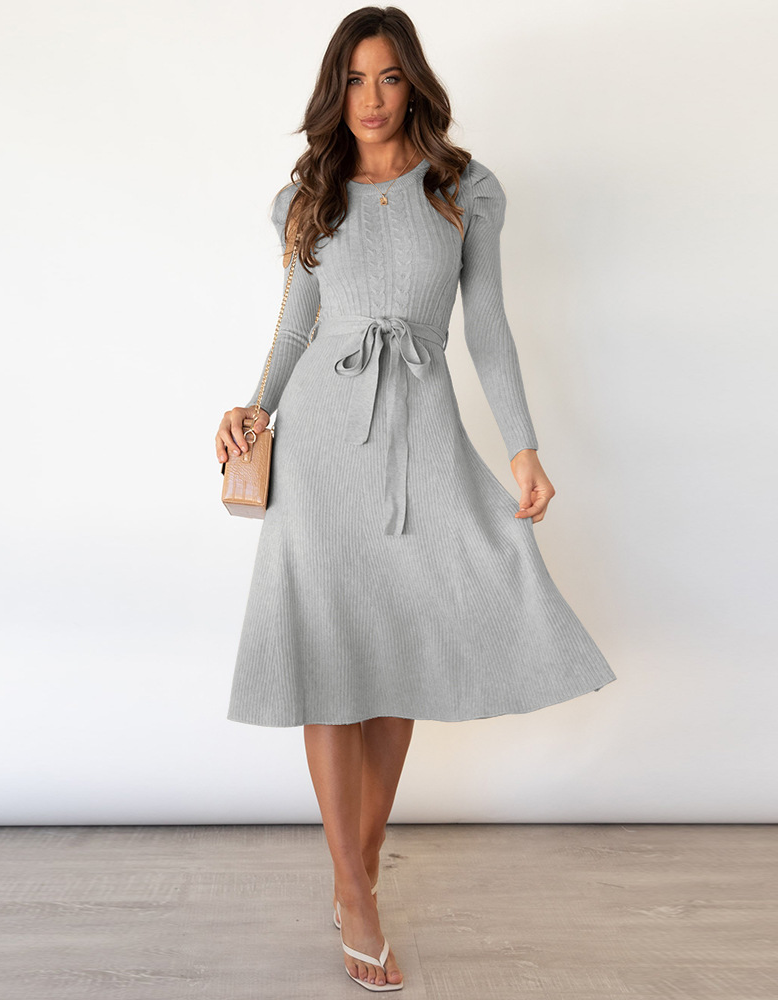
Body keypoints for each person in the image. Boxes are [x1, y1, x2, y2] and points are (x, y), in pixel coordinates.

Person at [215, 7, 617, 992]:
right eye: (353, 80)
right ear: (334, 90)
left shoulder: (462, 188)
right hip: (320, 445)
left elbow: (488, 328)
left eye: (388, 77)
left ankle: (360, 859)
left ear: (414, 85)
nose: (371, 98)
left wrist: (522, 448)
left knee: (394, 654)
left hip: (421, 437)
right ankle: (354, 890)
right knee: (328, 654)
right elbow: (295, 325)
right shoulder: (307, 195)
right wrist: (254, 410)